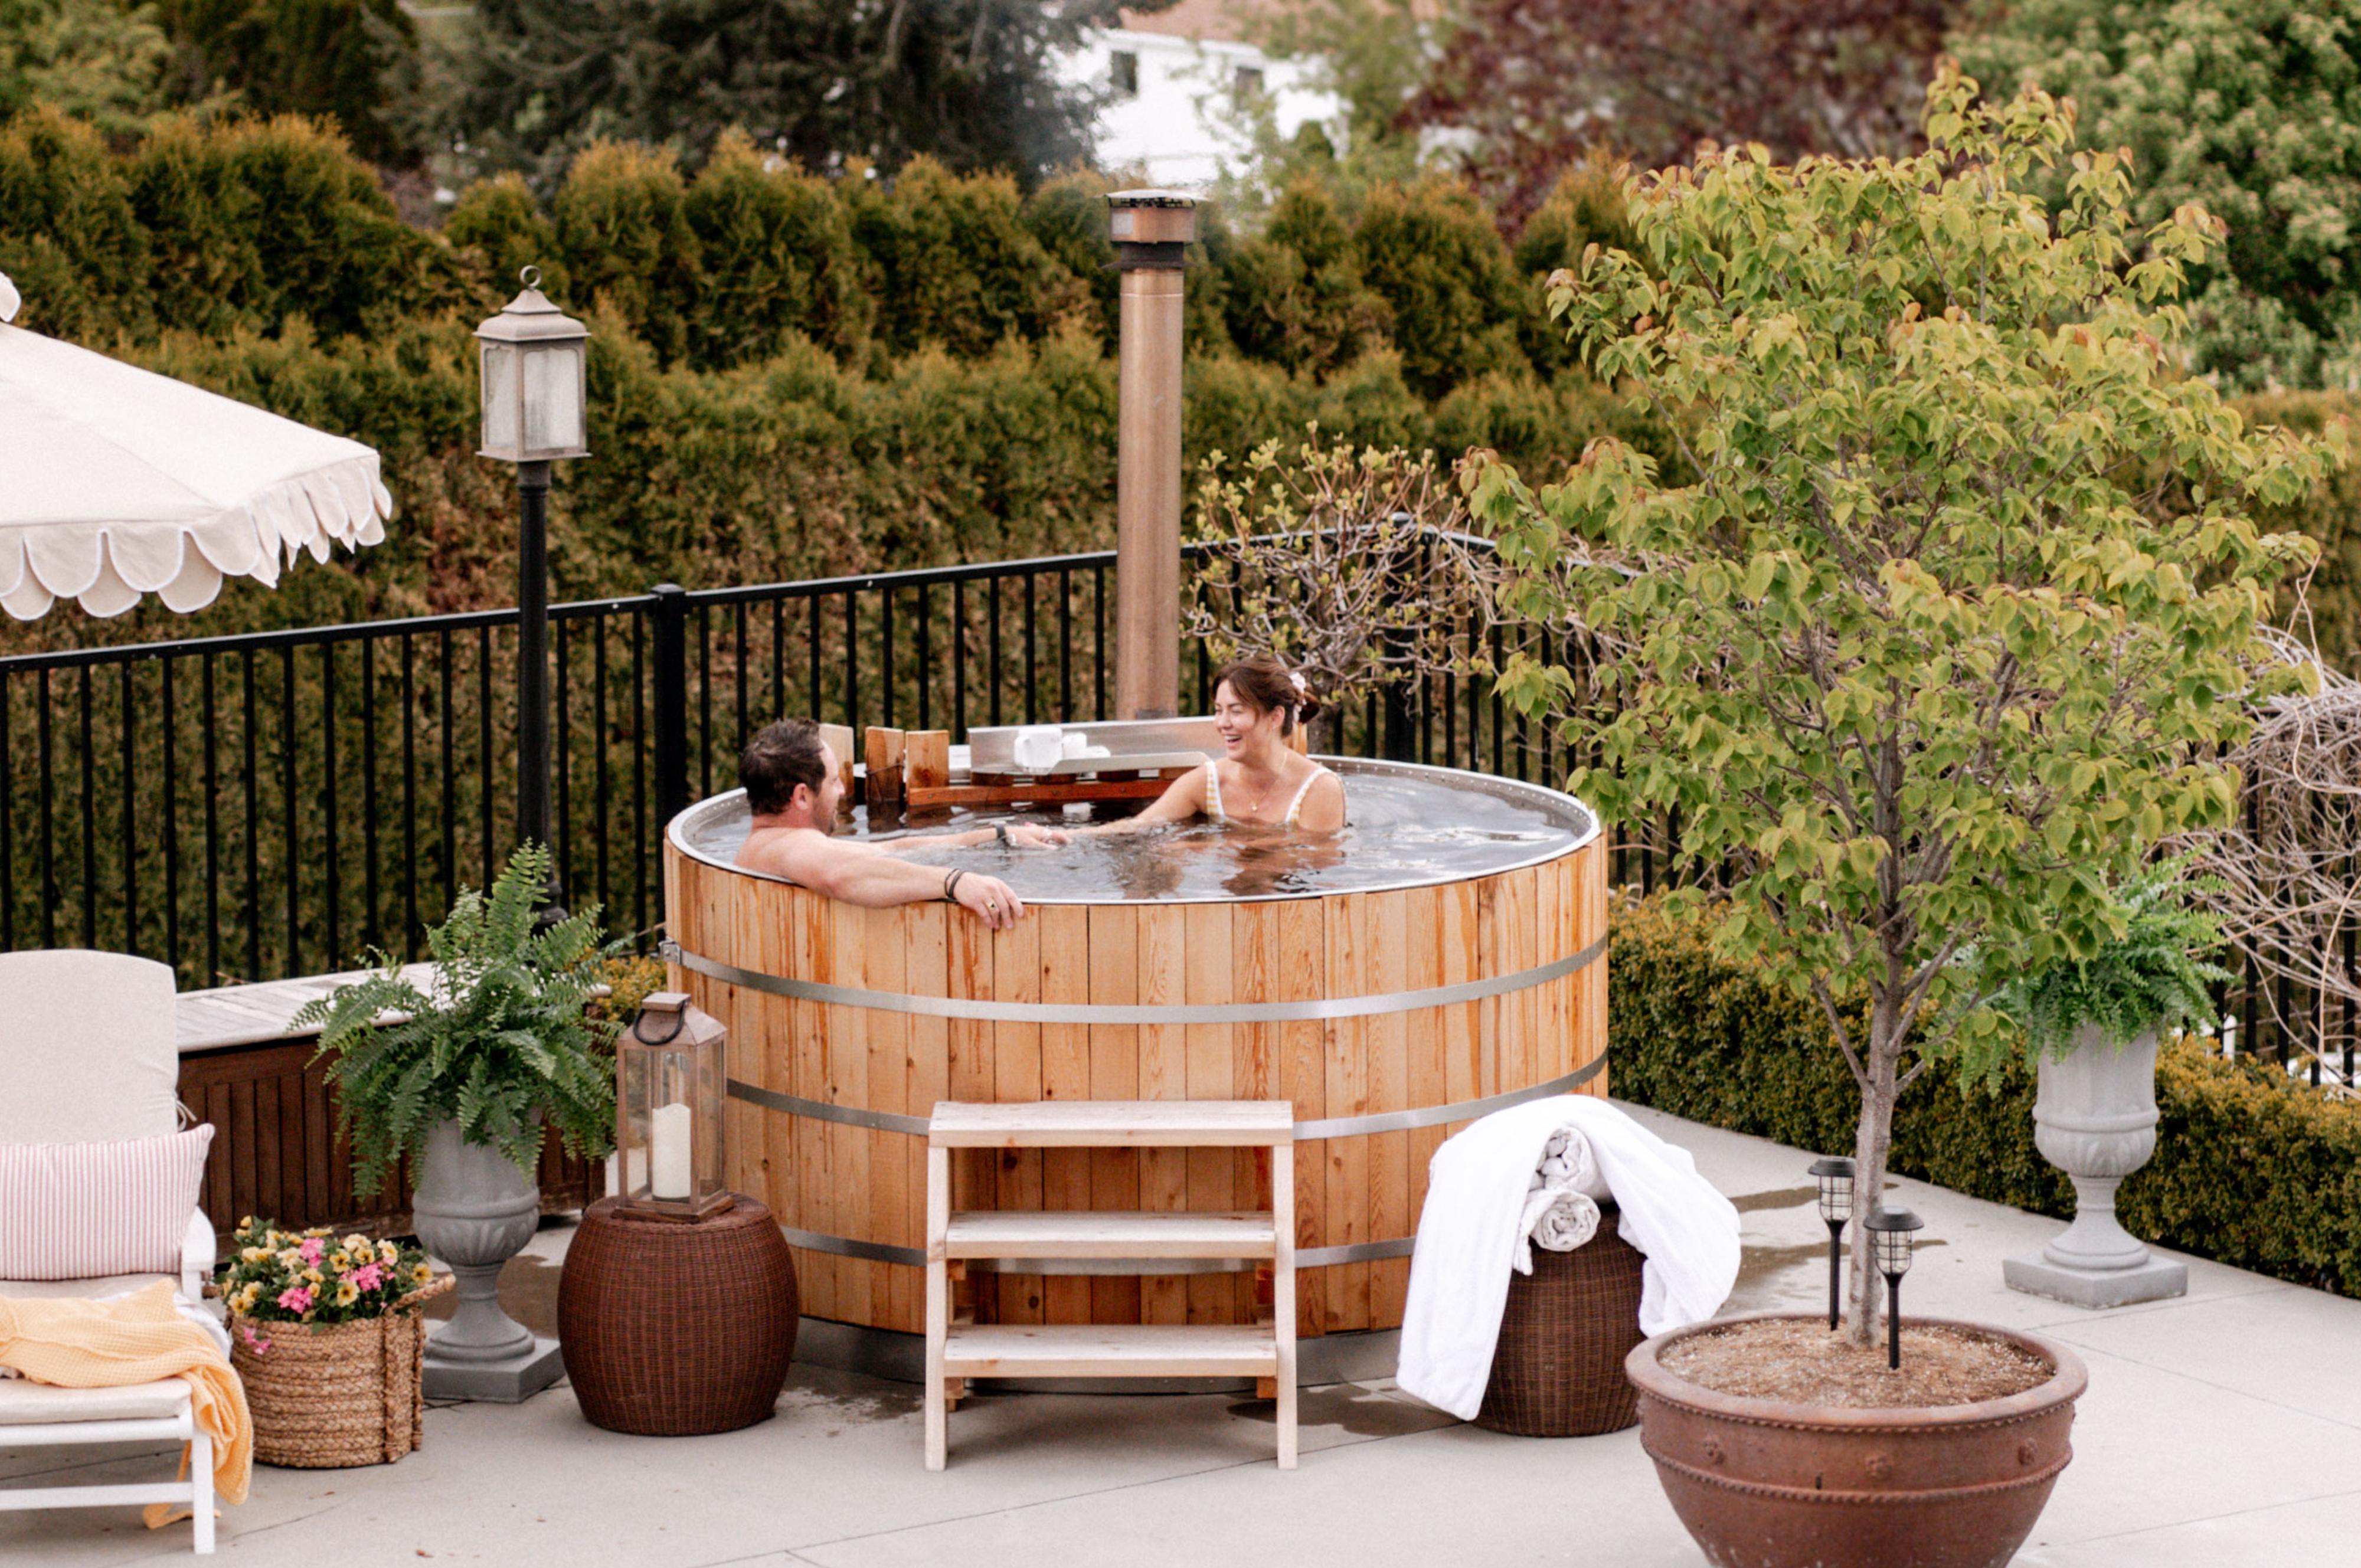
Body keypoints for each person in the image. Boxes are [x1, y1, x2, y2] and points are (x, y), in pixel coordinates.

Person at [732, 718, 1065, 929]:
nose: (843, 790)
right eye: (834, 781)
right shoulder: (794, 846)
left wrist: (997, 833)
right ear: (802, 797)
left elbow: (885, 851)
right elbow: (840, 875)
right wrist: (955, 882)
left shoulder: (775, 843)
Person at [1089, 655, 1344, 834]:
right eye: (1219, 710)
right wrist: (1070, 836)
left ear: (1275, 717)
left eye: (1235, 711)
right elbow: (1137, 827)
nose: (1222, 723)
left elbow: (1314, 865)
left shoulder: (1319, 789)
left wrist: (1213, 846)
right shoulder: (1209, 782)